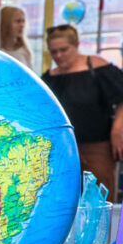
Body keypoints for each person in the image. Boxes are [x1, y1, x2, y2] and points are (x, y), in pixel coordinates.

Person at [42, 24, 123, 200]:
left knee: (99, 199)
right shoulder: (49, 79)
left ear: (77, 45)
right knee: (65, 200)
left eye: (64, 50)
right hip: (62, 150)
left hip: (97, 147)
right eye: (54, 52)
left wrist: (118, 129)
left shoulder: (97, 68)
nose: (59, 56)